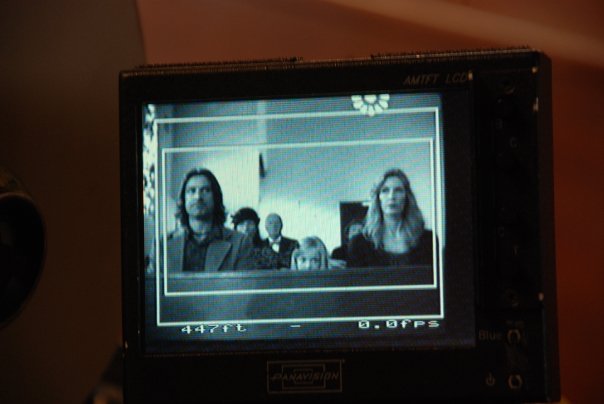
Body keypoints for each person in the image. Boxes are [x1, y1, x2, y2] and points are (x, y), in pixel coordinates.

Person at [150, 168, 254, 273]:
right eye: (192, 191)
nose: (198, 197)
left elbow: (243, 283)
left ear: (216, 198)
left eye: (205, 190)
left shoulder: (240, 243)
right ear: (183, 199)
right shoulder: (162, 245)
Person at [348, 168, 434, 268]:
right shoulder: (359, 243)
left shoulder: (428, 240)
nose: (391, 196)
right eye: (385, 190)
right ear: (378, 198)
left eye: (398, 190)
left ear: (407, 197)